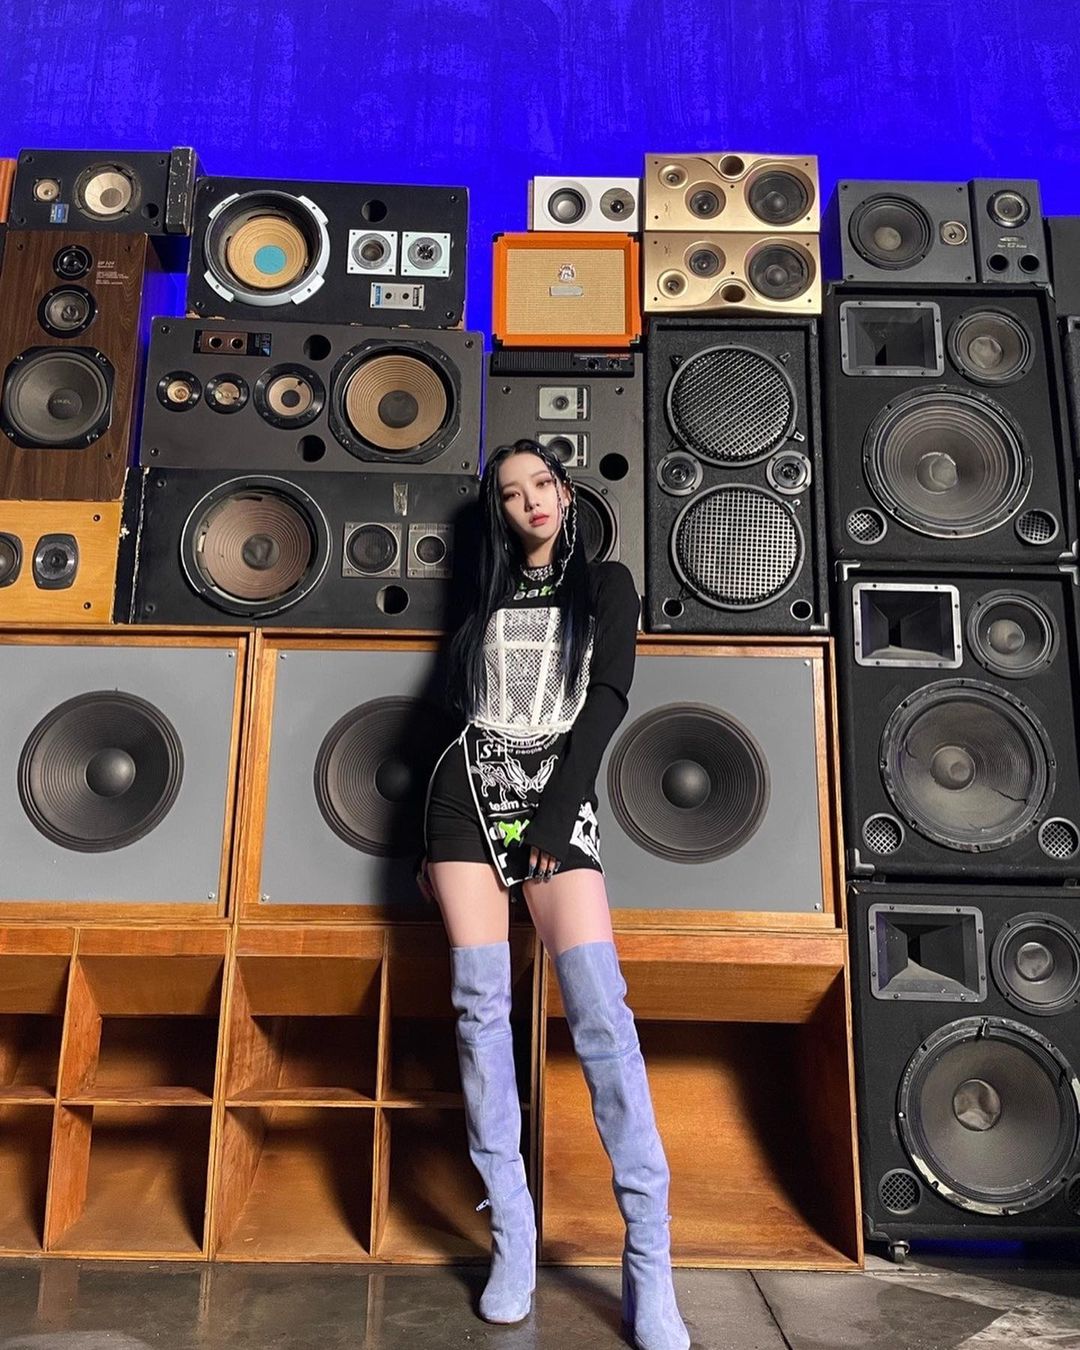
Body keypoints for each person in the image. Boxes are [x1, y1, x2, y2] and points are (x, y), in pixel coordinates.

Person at [418, 439, 690, 1350]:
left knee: (602, 1017)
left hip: (554, 801)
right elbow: (454, 714)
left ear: (566, 494)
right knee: (479, 1011)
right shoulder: (485, 593)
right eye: (512, 493)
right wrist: (427, 842)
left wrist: (555, 815)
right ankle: (513, 1242)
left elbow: (606, 700)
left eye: (542, 484)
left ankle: (649, 1265)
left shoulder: (606, 586)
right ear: (498, 511)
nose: (531, 500)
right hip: (463, 800)